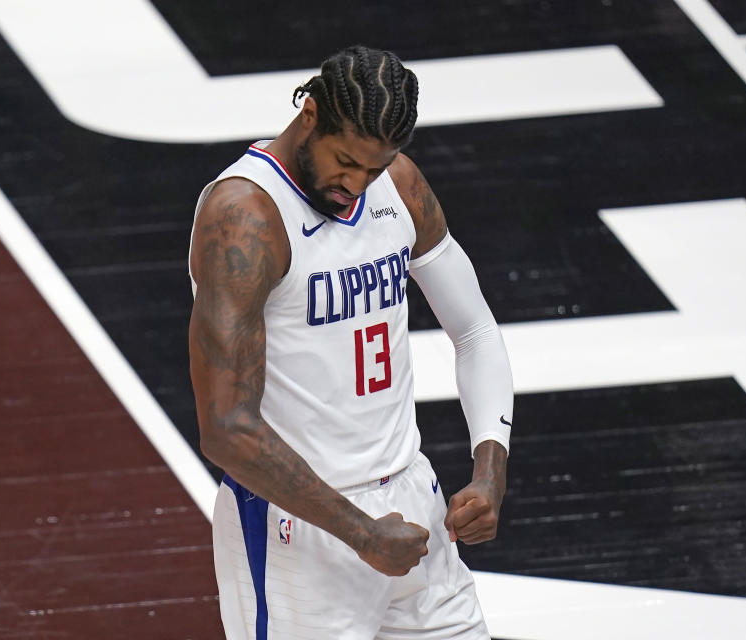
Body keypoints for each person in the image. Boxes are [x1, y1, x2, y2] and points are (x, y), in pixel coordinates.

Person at [188, 45, 514, 639]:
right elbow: (226, 426)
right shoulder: (246, 216)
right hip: (300, 526)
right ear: (309, 114)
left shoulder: (399, 185)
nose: (355, 185)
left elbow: (476, 331)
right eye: (344, 162)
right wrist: (360, 530)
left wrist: (490, 466)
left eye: (374, 167)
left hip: (413, 504)